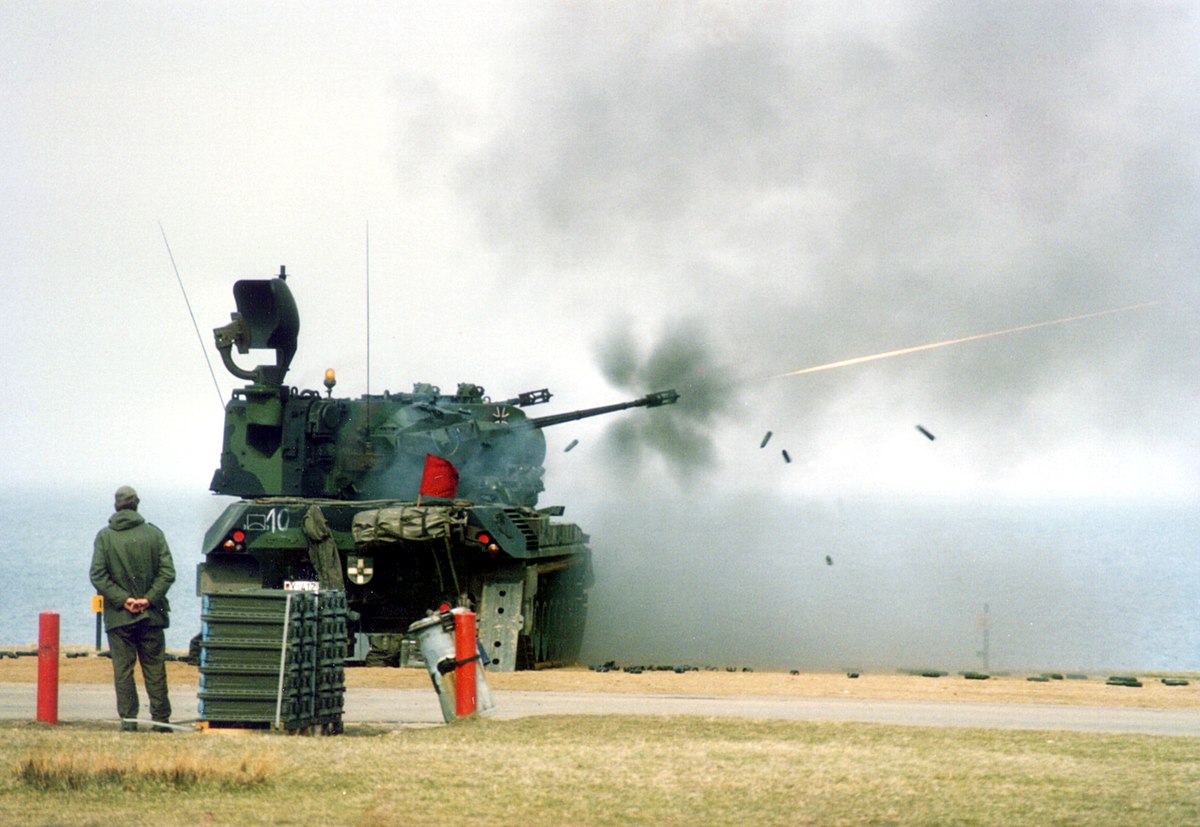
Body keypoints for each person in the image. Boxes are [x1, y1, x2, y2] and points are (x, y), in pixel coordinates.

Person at [90, 485, 175, 732]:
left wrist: (123, 600)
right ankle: (161, 721)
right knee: (155, 668)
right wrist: (147, 599)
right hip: (152, 615)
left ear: (116, 506)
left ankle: (129, 721)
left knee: (123, 671)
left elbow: (98, 575)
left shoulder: (105, 537)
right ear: (137, 504)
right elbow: (168, 573)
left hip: (119, 617)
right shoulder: (154, 534)